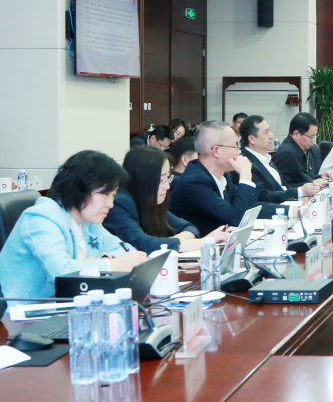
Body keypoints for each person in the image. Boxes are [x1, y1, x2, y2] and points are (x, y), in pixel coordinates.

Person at [0, 151, 148, 300]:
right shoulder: (41, 218)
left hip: (67, 303)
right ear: (79, 187)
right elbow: (63, 273)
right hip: (24, 310)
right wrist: (111, 265)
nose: (110, 204)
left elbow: (126, 250)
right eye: (105, 194)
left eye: (113, 195)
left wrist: (104, 260)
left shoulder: (87, 219)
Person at [105, 146, 228, 253]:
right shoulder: (118, 204)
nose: (167, 186)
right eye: (161, 180)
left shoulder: (149, 200)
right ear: (143, 180)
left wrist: (163, 244)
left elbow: (190, 228)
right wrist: (204, 242)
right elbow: (145, 244)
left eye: (167, 178)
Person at [169, 120, 264, 236]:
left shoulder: (223, 176)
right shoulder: (194, 182)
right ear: (217, 151)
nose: (239, 152)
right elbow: (236, 218)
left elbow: (247, 205)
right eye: (235, 146)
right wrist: (245, 176)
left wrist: (284, 209)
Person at [238, 115, 322, 203]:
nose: (271, 136)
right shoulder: (247, 163)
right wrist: (300, 191)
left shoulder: (266, 159)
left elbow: (283, 186)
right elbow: (263, 196)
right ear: (252, 139)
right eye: (266, 132)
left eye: (270, 130)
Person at [274, 112, 324, 186]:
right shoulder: (286, 153)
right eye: (311, 137)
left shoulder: (305, 148)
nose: (313, 140)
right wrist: (312, 184)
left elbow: (303, 177)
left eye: (315, 136)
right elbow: (283, 186)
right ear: (296, 134)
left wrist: (322, 177)